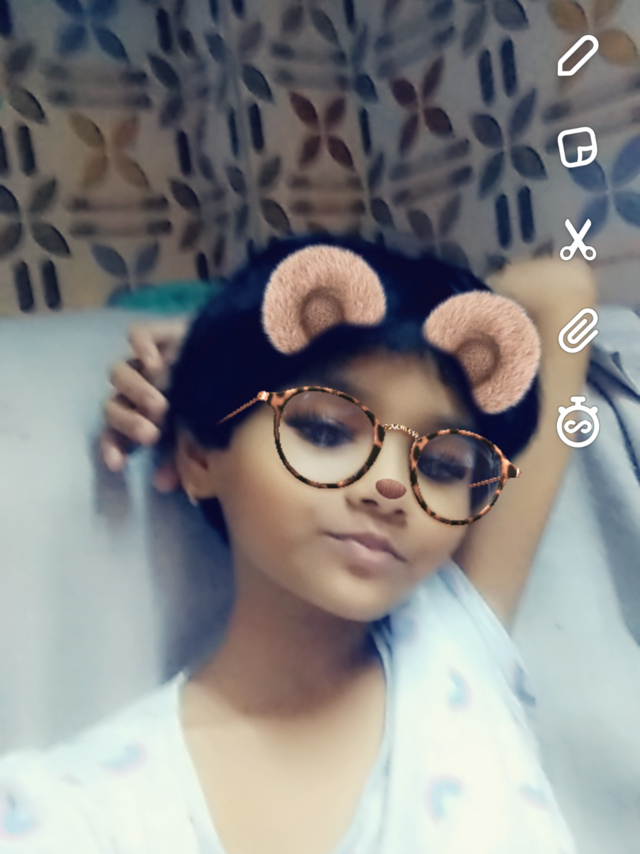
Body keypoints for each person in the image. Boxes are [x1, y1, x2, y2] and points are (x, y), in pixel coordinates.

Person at [0, 234, 595, 854]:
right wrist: (227, 354)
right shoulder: (84, 809)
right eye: (327, 430)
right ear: (199, 456)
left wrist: (220, 338)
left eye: (442, 465)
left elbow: (563, 292)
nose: (393, 486)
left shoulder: (455, 637)